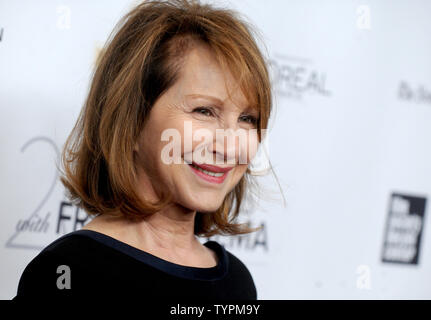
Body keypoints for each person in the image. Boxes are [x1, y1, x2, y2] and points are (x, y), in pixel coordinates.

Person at [14, 0, 273, 300]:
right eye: (204, 111)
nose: (230, 146)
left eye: (247, 119)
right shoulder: (68, 271)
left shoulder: (237, 282)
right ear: (133, 122)